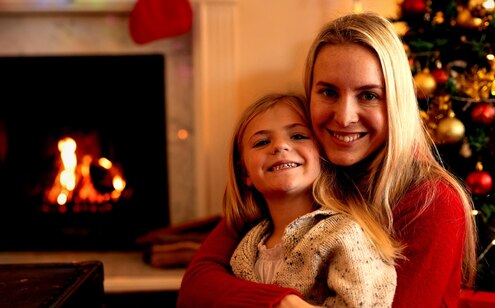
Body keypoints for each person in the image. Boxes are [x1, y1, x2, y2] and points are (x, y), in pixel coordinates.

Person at [177, 12, 477, 308]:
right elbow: (197, 283)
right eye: (328, 92)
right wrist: (283, 303)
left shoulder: (432, 200)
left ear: (395, 102)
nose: (344, 117)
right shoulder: (299, 174)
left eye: (369, 96)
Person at [223, 93, 397, 307]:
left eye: (298, 136)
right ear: (244, 173)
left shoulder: (344, 233)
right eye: (261, 142)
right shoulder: (244, 249)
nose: (279, 146)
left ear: (322, 156)